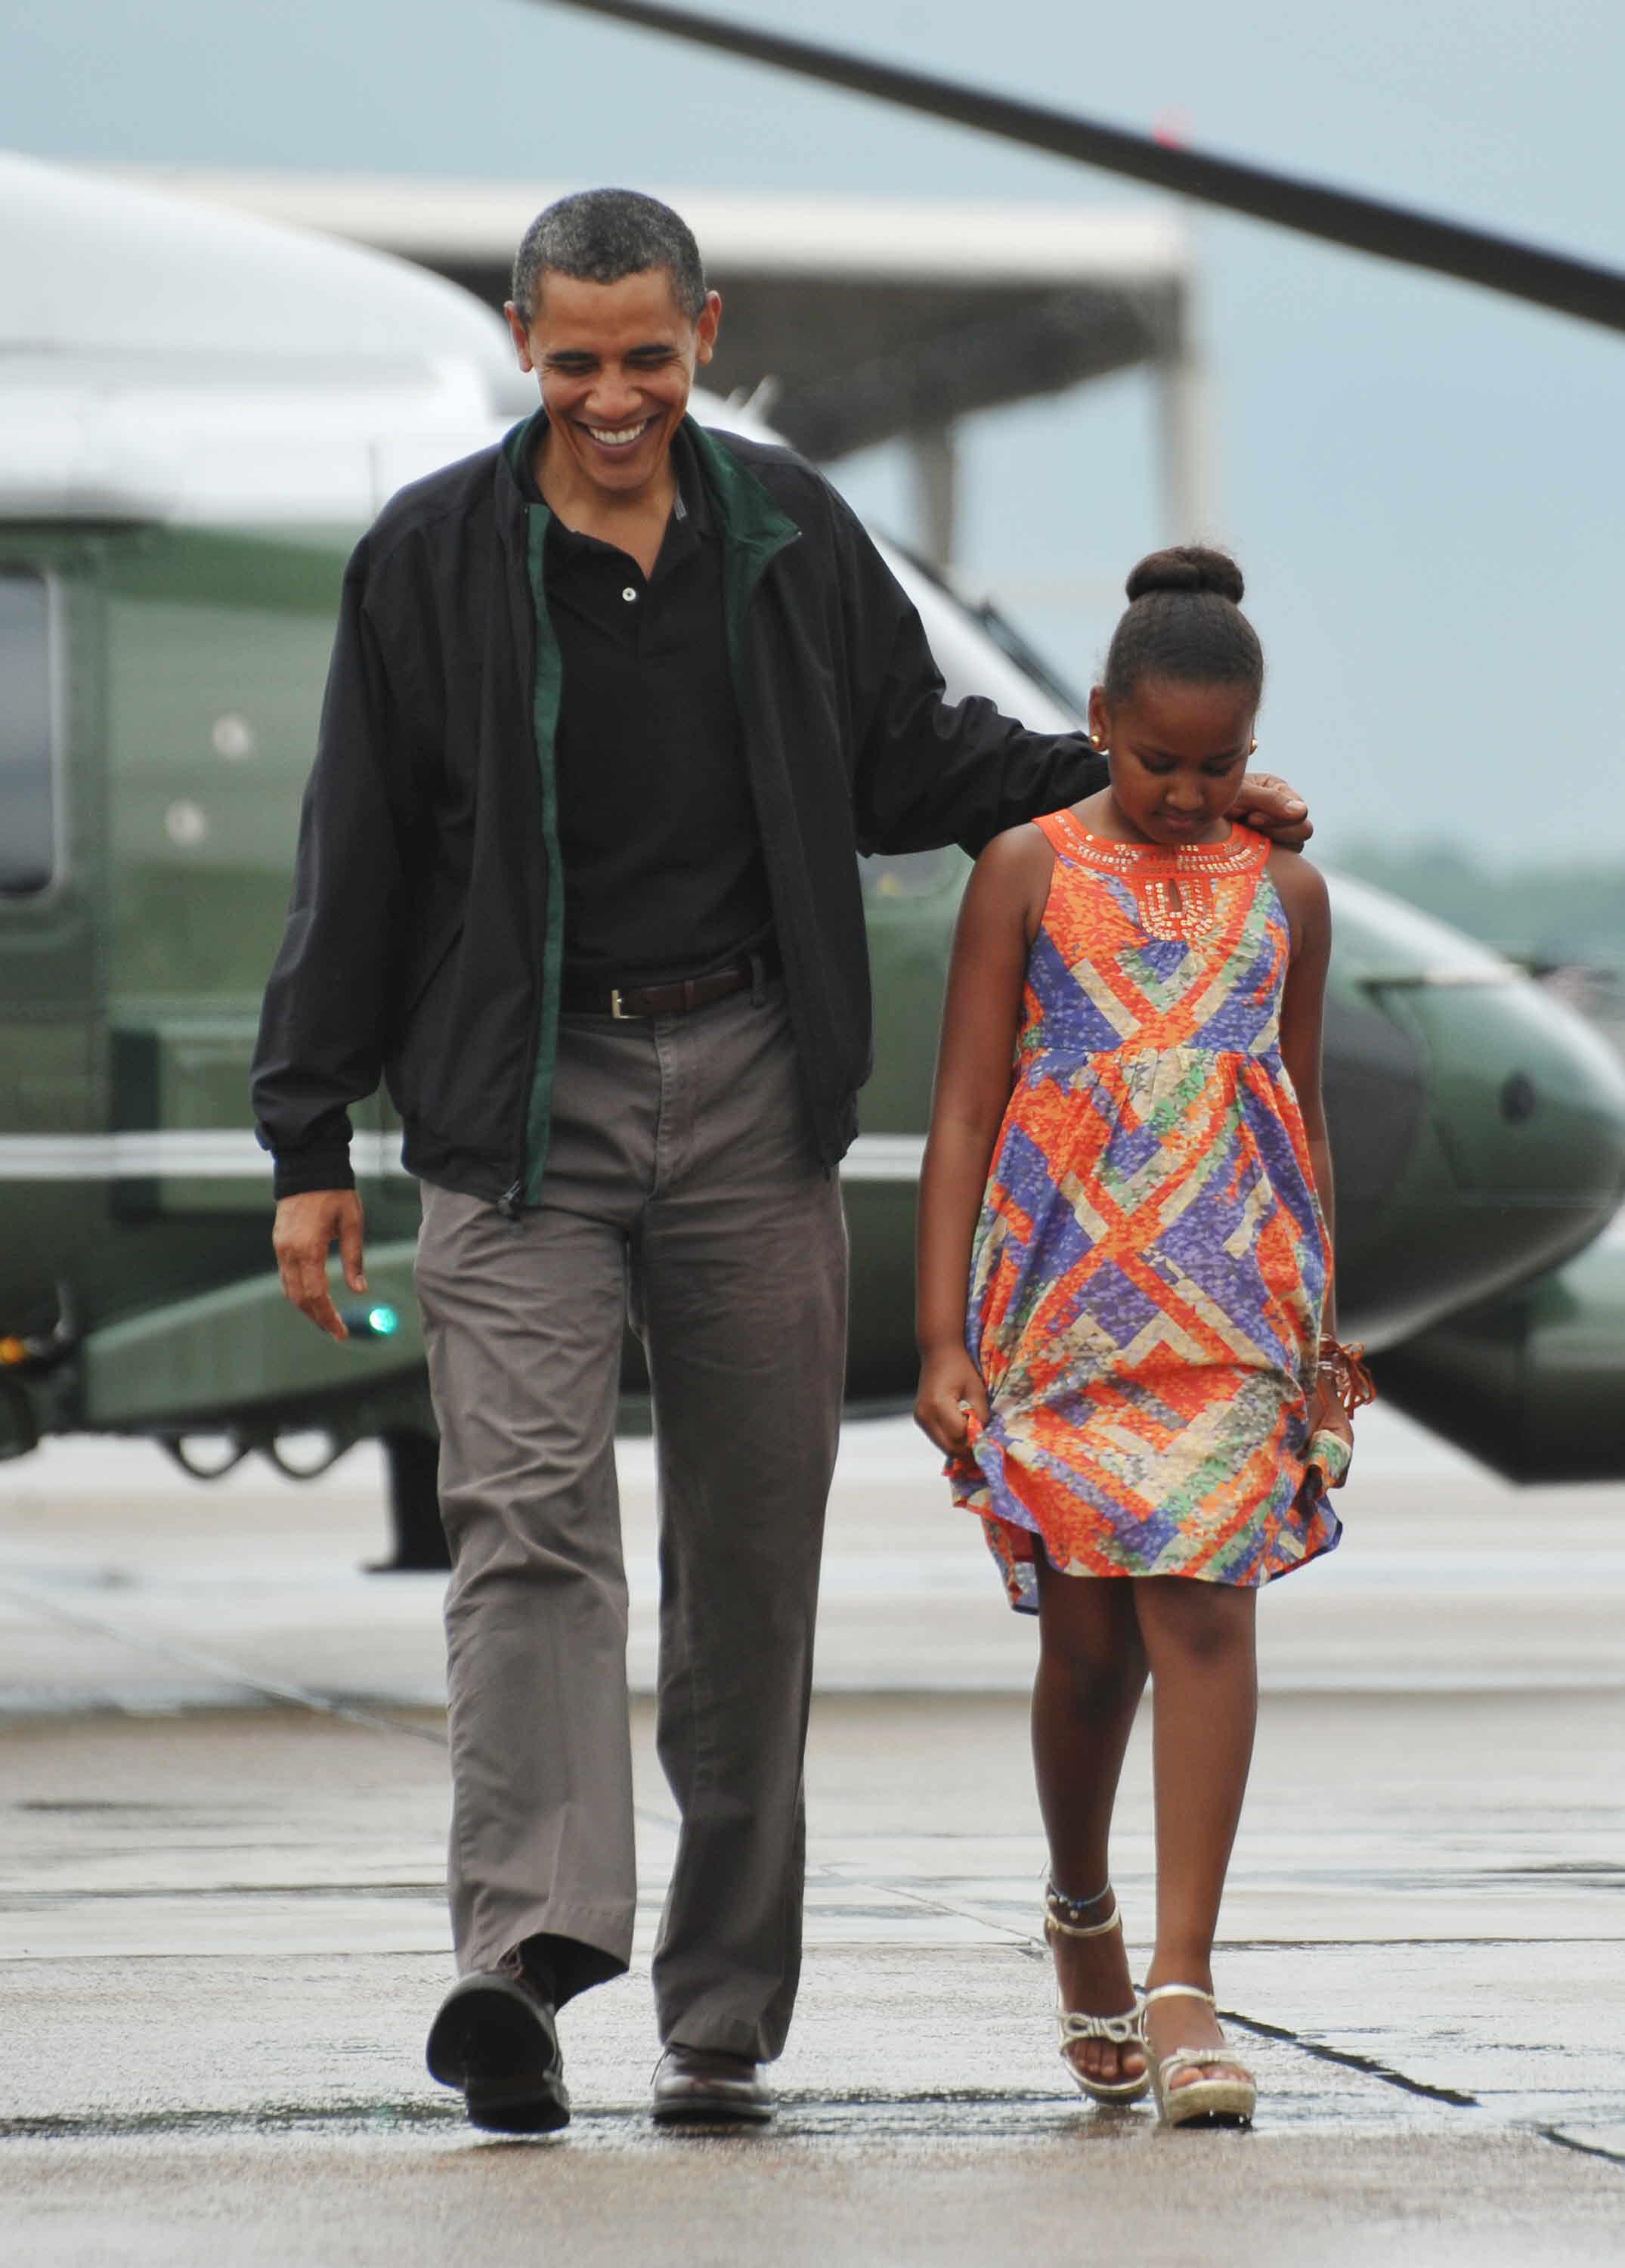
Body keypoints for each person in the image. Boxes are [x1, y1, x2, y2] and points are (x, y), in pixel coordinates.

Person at [252, 191, 1315, 2136]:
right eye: (573, 361)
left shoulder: (789, 537)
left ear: (703, 334)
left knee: (750, 1564)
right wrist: (307, 1135)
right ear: (521, 348)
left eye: (646, 358)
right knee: (527, 1531)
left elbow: (908, 759)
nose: (612, 399)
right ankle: (527, 1959)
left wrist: (1157, 790)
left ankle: (718, 2014)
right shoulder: (427, 563)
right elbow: (361, 855)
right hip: (512, 1102)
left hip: (745, 1082)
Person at [914, 547, 1369, 2128]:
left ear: (1258, 746)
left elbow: (1292, 1114)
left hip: (1235, 1303)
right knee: (1087, 1647)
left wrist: (1319, 1324)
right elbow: (966, 1102)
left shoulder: (1288, 894)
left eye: (1220, 765)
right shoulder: (1023, 871)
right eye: (1159, 760)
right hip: (1060, 1302)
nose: (1188, 793)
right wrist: (938, 1338)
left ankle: (1185, 1980)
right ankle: (1080, 1910)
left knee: (1206, 1614)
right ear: (1098, 718)